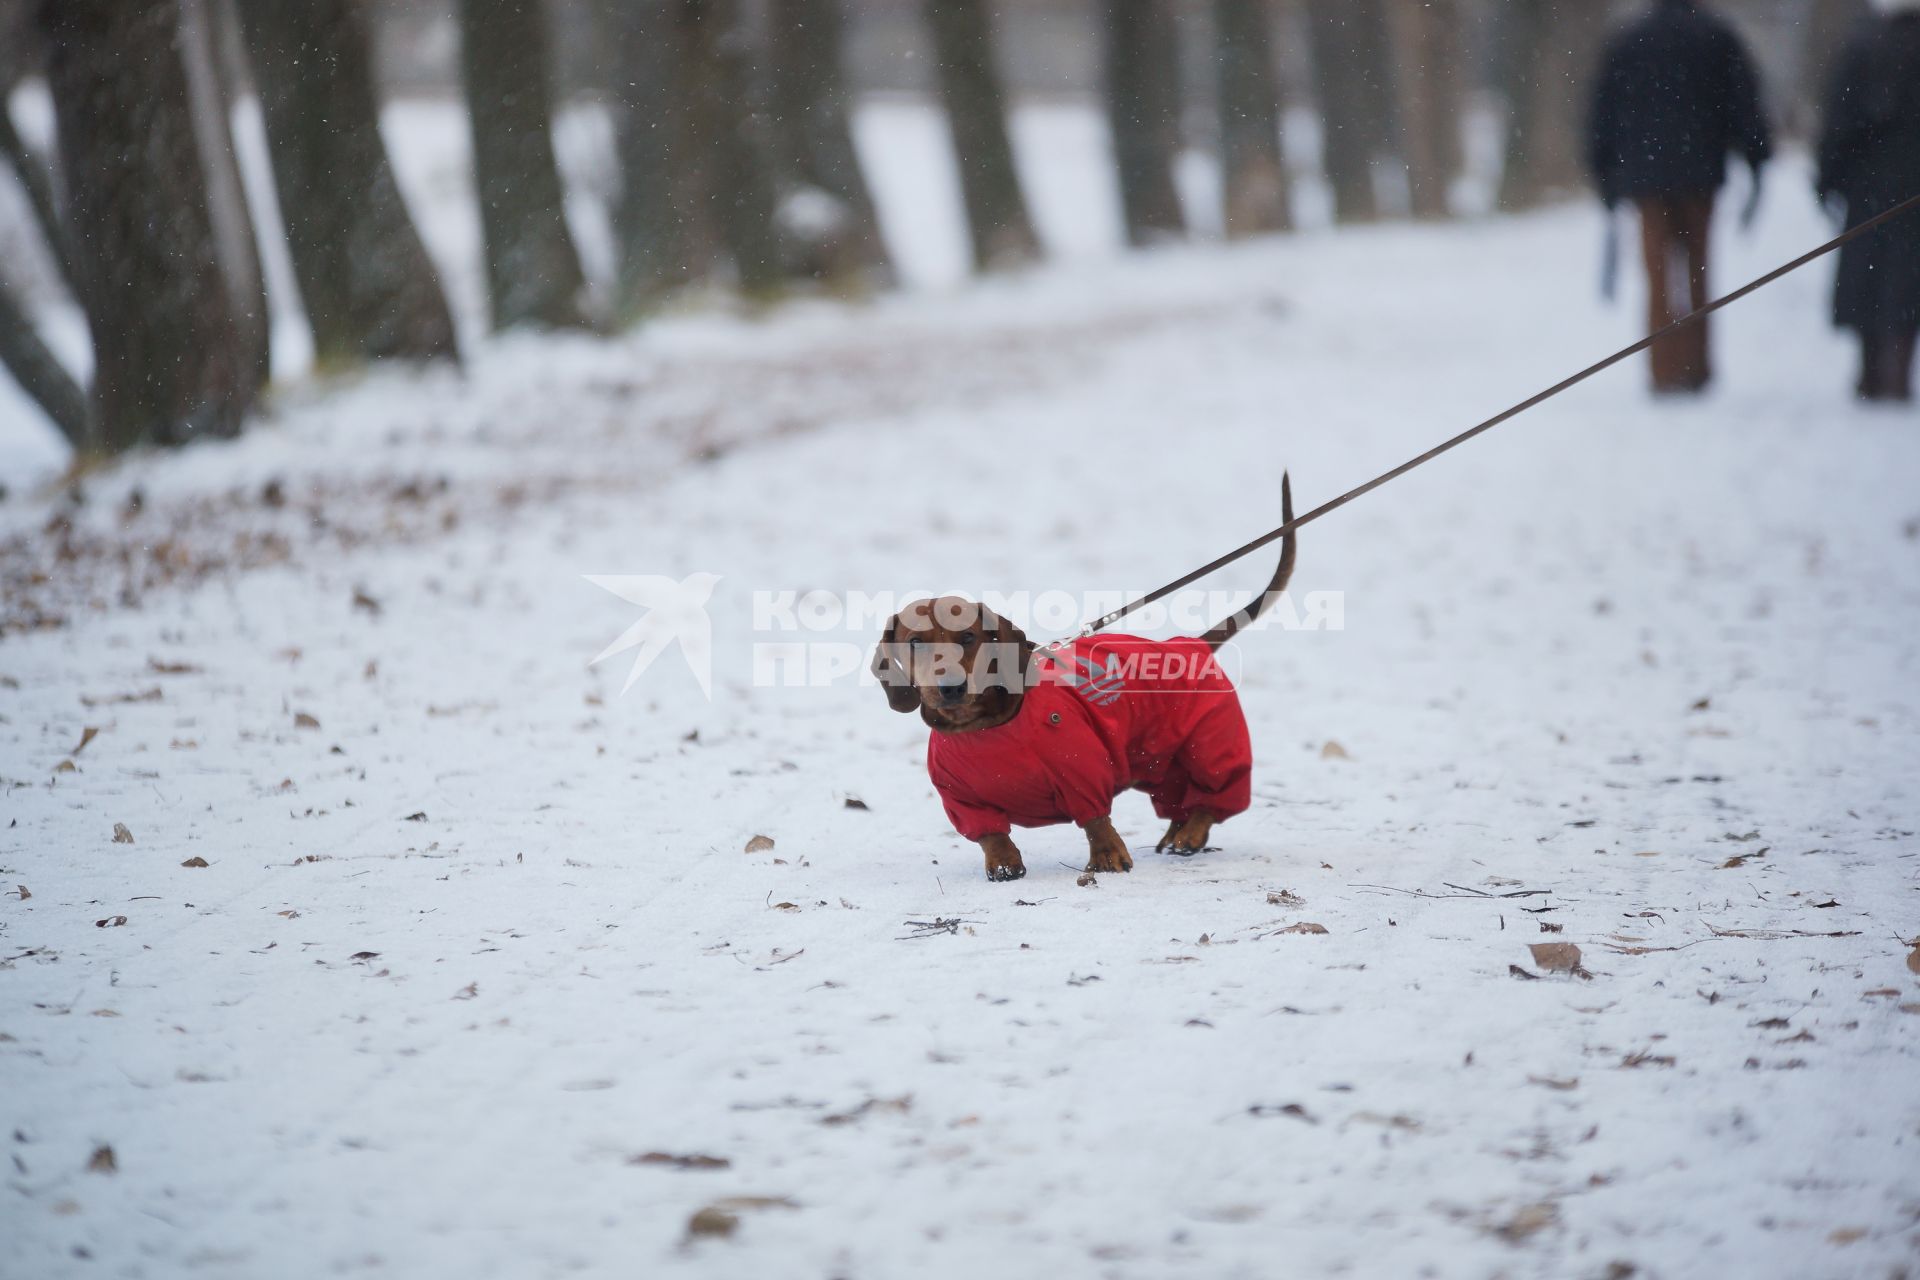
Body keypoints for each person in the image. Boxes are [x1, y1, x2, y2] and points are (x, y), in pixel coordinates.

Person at [1587, 0, 1772, 394]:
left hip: (1646, 179)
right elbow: (1743, 102)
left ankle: (1664, 369)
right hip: (1700, 173)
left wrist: (1604, 172)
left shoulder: (1629, 39)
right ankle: (1697, 365)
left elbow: (1602, 112)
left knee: (1657, 276)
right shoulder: (1716, 36)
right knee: (1698, 270)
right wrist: (1756, 156)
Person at [1817, 0, 1920, 403]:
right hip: (1912, 186)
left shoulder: (1862, 46)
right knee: (1908, 281)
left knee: (1868, 276)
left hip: (1869, 184)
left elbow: (1840, 119)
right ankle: (1897, 371)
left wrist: (1829, 177)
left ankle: (1869, 371)